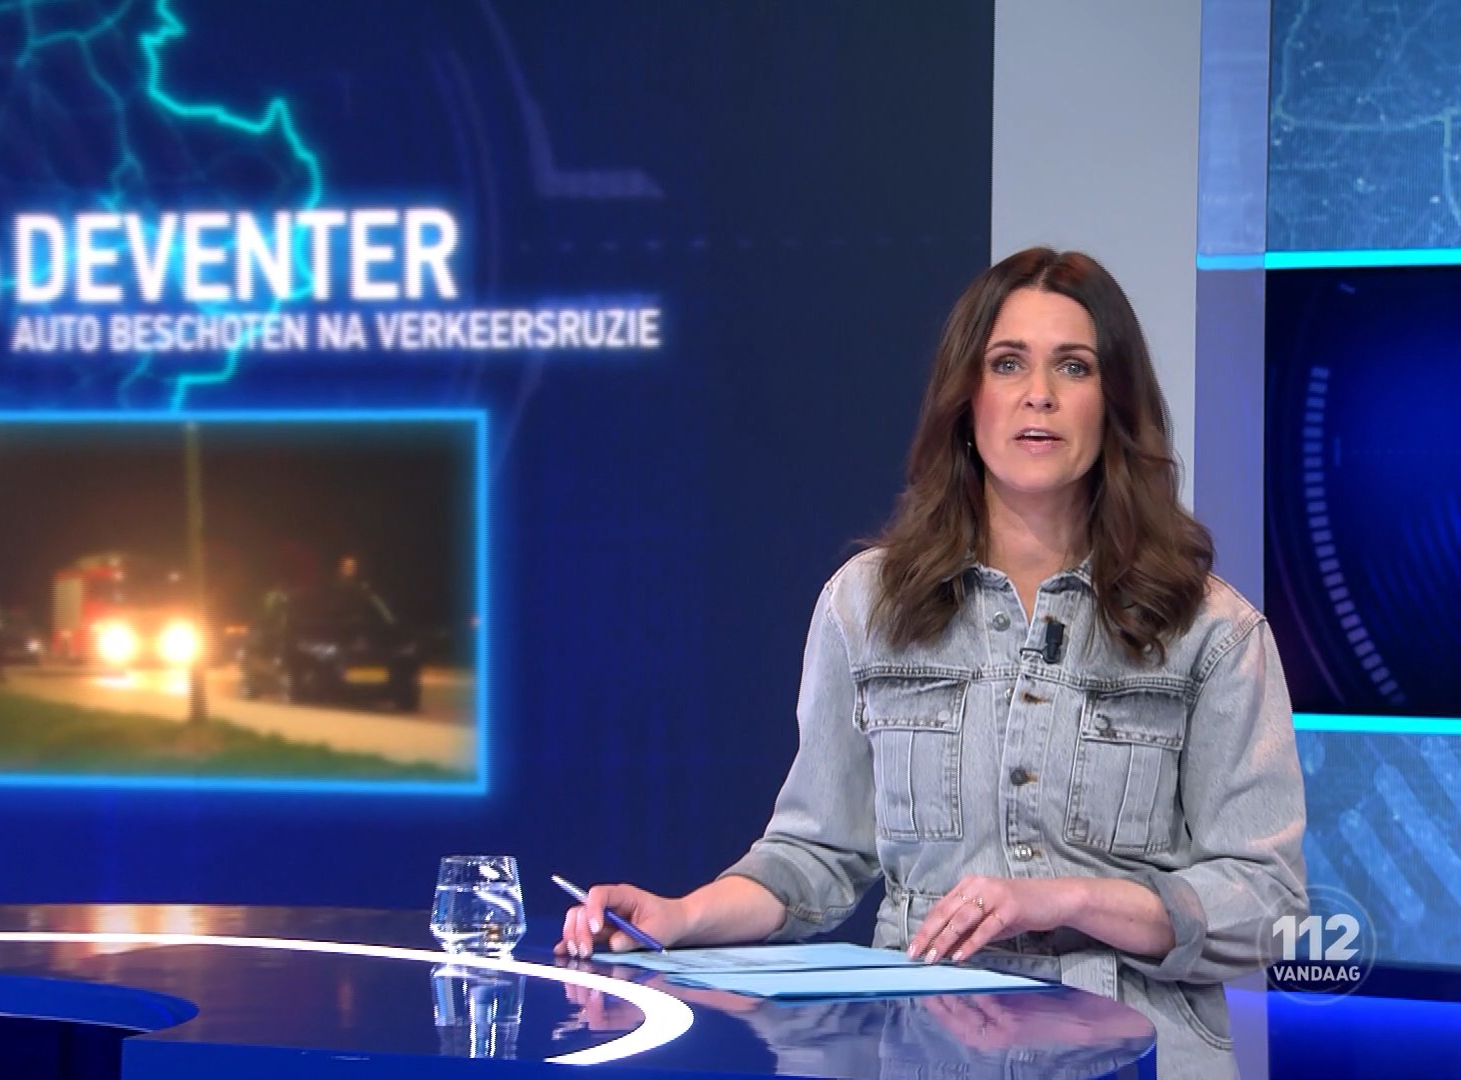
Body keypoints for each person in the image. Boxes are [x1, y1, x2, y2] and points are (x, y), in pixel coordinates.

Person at [558, 248, 1308, 1080]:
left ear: (1115, 401)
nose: (1039, 394)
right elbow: (816, 855)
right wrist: (676, 917)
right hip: (922, 1045)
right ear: (966, 397)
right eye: (1007, 363)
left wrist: (1070, 898)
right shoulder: (866, 604)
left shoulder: (1211, 628)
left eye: (1075, 366)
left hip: (1134, 1050)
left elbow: (1266, 904)